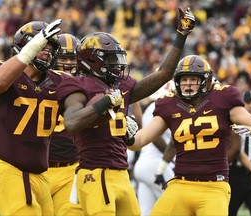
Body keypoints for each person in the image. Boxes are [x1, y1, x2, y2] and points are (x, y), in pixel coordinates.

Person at [57, 7, 195, 216]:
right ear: (93, 60)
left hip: (121, 173)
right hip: (96, 173)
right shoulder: (78, 86)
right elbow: (73, 122)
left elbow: (164, 74)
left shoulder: (119, 85)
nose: (117, 64)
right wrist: (104, 103)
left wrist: (181, 35)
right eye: (111, 59)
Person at [126, 54, 251, 216]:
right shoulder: (169, 104)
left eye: (193, 79)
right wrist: (127, 134)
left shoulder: (222, 99)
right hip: (180, 184)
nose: (187, 84)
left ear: (206, 81)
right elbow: (139, 141)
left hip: (213, 187)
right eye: (184, 79)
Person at [0, 19, 73, 215]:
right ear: (25, 46)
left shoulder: (60, 81)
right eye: (42, 46)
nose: (47, 52)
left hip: (41, 175)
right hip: (8, 168)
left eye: (50, 48)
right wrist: (33, 47)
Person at [47, 33, 83, 215]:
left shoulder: (85, 85)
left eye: (72, 58)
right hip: (38, 169)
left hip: (71, 168)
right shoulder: (40, 83)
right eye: (63, 58)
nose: (69, 64)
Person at [133, 81, 175, 216]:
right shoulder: (158, 107)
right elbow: (154, 138)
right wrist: (172, 155)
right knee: (175, 207)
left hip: (144, 165)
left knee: (147, 212)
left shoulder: (153, 106)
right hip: (155, 165)